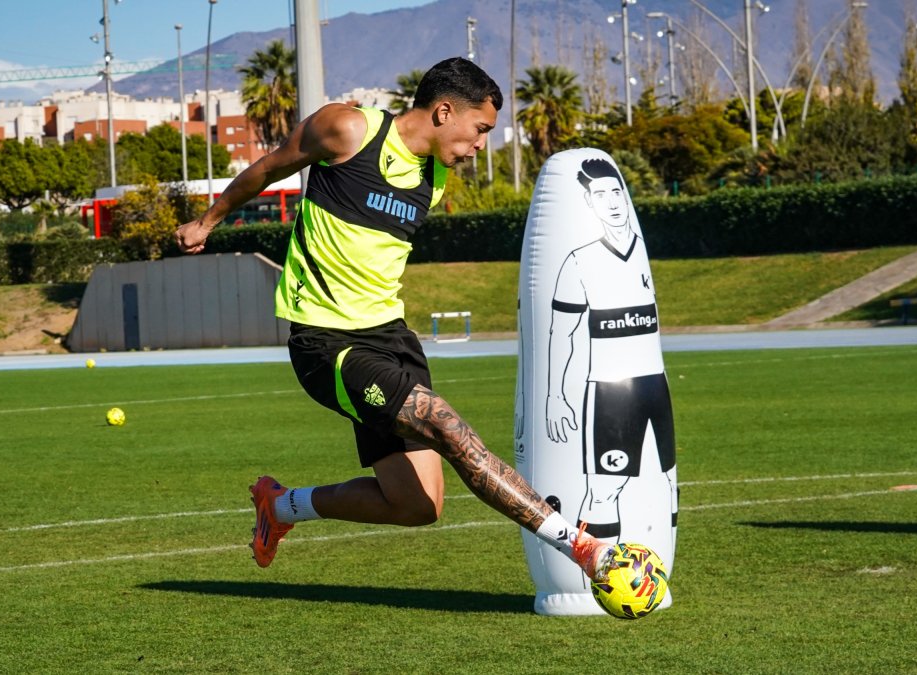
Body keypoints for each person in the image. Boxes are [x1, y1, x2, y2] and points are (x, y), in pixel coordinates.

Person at [174, 58, 612, 581]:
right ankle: (581, 546)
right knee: (448, 427)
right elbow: (269, 168)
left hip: (393, 340)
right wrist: (208, 222)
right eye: (480, 130)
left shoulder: (438, 177)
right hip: (326, 342)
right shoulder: (347, 129)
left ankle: (282, 506)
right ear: (445, 111)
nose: (481, 145)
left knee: (416, 506)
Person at [543, 157, 677, 547]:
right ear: (589, 203)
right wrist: (555, 396)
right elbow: (561, 334)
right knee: (604, 489)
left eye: (616, 191)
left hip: (655, 385)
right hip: (608, 393)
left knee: (667, 480)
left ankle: (648, 579)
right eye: (600, 194)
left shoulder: (640, 253)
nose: (612, 201)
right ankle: (592, 580)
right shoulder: (578, 261)